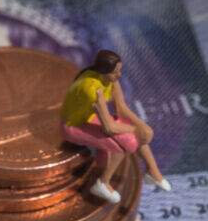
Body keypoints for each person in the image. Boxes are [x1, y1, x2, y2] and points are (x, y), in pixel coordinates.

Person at [60, 49, 171, 204]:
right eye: (116, 72)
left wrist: (141, 126)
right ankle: (102, 183)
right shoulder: (92, 89)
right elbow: (108, 127)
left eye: (119, 70)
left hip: (91, 118)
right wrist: (135, 130)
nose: (119, 75)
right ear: (104, 71)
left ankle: (153, 171)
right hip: (73, 125)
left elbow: (121, 109)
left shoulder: (111, 81)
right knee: (126, 143)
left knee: (139, 134)